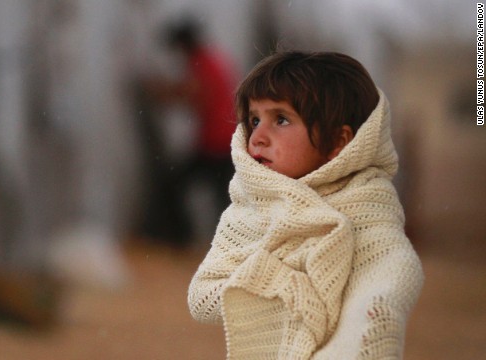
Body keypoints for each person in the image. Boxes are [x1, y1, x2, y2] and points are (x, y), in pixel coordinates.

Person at [187, 51, 424, 359]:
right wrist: (283, 282)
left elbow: (393, 270)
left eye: (281, 120)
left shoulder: (366, 204)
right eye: (254, 119)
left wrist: (374, 312)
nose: (257, 137)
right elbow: (203, 297)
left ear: (337, 142)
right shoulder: (250, 209)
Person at [140, 17, 239, 248]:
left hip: (216, 143)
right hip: (222, 140)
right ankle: (223, 245)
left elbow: (194, 95)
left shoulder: (202, 62)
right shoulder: (213, 58)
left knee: (174, 185)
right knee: (220, 198)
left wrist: (158, 91)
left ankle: (180, 239)